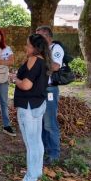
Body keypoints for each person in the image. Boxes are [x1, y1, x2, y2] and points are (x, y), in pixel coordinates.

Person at [12, 34, 52, 181]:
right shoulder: (43, 61)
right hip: (38, 104)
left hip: (28, 106)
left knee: (31, 143)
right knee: (37, 141)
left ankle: (29, 179)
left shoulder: (33, 59)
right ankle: (36, 171)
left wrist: (15, 79)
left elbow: (27, 85)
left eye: (28, 45)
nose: (25, 47)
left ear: (35, 47)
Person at [35, 26, 64, 165]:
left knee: (50, 123)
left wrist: (39, 64)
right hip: (39, 89)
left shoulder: (56, 49)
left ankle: (53, 154)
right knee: (41, 123)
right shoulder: (40, 51)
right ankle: (44, 151)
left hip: (50, 90)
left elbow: (56, 66)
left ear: (47, 36)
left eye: (39, 37)